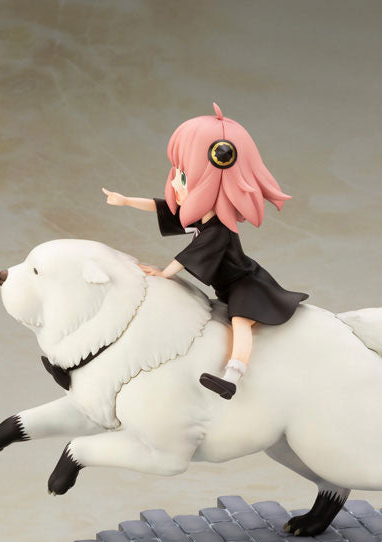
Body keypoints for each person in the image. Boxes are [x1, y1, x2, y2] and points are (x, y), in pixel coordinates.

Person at [102, 104, 307, 400]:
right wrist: (126, 201)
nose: (175, 181)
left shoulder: (219, 230)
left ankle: (232, 376)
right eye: (177, 173)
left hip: (246, 285)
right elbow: (164, 207)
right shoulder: (201, 219)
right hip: (227, 287)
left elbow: (191, 254)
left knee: (241, 322)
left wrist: (164, 273)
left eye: (183, 177)